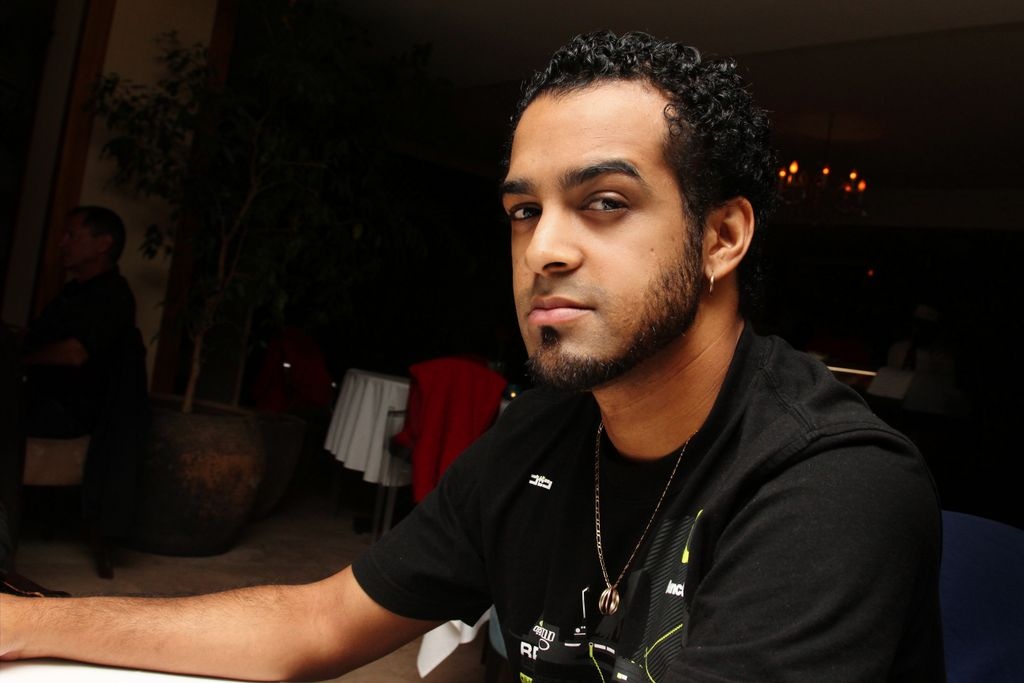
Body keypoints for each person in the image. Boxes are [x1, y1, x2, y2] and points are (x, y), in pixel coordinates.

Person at [0, 32, 943, 681]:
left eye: (604, 202)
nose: (543, 249)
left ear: (722, 236)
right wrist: (31, 621)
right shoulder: (542, 429)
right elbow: (316, 623)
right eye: (524, 210)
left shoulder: (834, 483)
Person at [19, 205, 137, 438]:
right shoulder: (72, 291)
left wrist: (19, 361)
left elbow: (75, 353)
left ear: (103, 244)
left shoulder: (113, 295)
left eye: (71, 236)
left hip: (68, 411)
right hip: (36, 397)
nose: (61, 243)